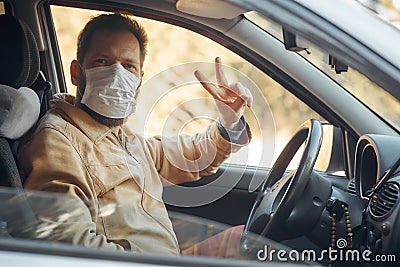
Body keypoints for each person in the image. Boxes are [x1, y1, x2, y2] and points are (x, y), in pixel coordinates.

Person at [17, 13, 253, 256]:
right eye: (102, 61)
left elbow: (195, 156)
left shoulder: (123, 137)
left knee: (248, 242)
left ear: (139, 79)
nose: (117, 74)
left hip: (171, 257)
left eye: (128, 66)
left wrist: (229, 120)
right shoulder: (58, 140)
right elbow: (69, 243)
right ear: (77, 73)